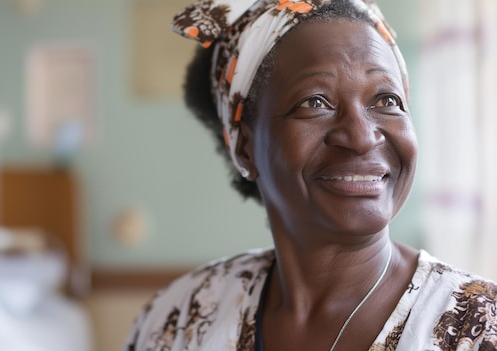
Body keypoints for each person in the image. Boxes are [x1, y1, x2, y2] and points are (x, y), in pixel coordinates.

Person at [124, 0, 497, 350]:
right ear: (245, 147)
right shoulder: (181, 317)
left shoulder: (480, 328)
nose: (361, 136)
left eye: (387, 101)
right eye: (314, 102)